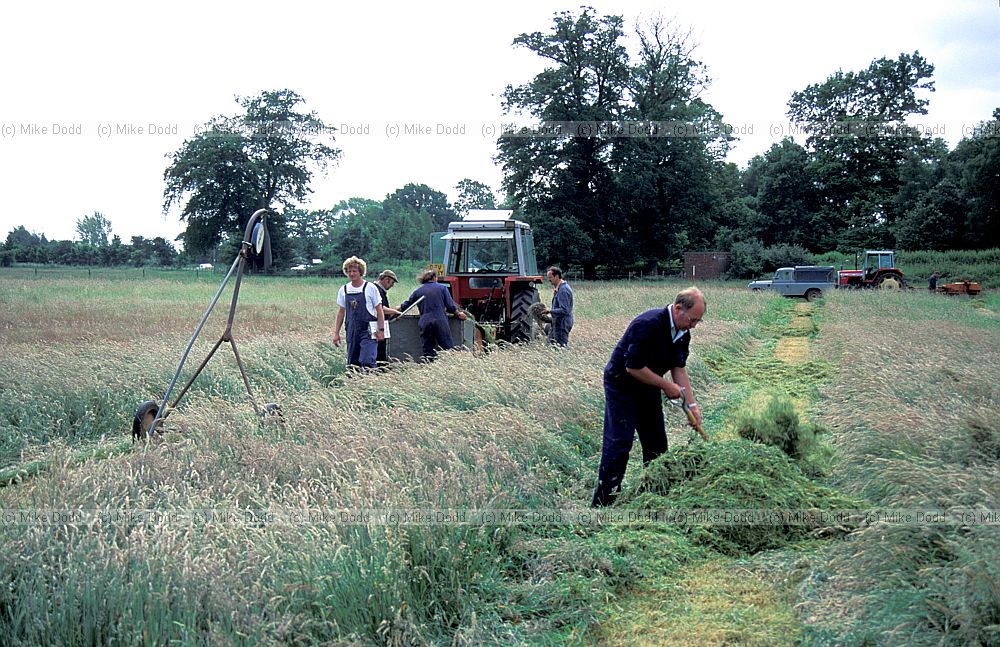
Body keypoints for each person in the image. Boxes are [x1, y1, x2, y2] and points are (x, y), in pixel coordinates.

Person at [591, 286, 706, 507]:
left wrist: (692, 405)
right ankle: (604, 502)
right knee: (619, 443)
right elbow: (633, 367)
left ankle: (655, 494)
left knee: (656, 442)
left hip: (648, 385)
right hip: (622, 385)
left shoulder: (683, 334)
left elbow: (678, 368)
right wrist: (665, 386)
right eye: (693, 320)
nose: (694, 325)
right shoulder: (648, 324)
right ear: (678, 308)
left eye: (697, 322)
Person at [397, 268, 467, 360]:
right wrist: (459, 313)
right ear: (434, 278)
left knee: (428, 349)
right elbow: (450, 306)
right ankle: (448, 366)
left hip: (425, 321)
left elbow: (406, 305)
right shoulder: (442, 288)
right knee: (447, 347)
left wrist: (397, 311)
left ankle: (428, 366)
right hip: (440, 321)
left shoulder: (418, 291)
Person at [333, 256, 385, 369]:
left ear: (360, 272)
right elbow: (341, 312)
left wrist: (381, 330)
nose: (352, 274)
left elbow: (379, 310)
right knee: (352, 363)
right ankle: (355, 384)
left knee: (367, 360)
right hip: (351, 330)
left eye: (354, 271)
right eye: (349, 271)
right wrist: (336, 333)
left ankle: (371, 381)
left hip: (368, 331)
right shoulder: (344, 290)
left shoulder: (370, 288)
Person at [374, 269, 402, 364]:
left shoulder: (380, 290)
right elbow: (380, 308)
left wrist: (392, 314)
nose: (392, 285)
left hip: (381, 325)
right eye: (392, 283)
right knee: (379, 350)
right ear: (386, 279)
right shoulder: (376, 290)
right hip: (377, 326)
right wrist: (394, 311)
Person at [543, 266, 574, 347]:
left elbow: (564, 310)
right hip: (558, 323)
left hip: (562, 324)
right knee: (552, 345)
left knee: (561, 347)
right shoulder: (559, 288)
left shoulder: (563, 290)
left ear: (557, 276)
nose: (549, 280)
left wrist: (549, 311)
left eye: (550, 277)